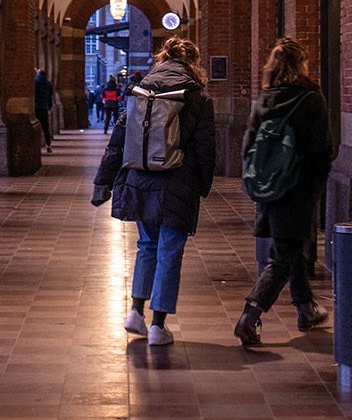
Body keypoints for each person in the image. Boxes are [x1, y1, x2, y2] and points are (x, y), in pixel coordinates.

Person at [91, 37, 215, 347]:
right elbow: (205, 146)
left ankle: (135, 312)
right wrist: (204, 184)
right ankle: (159, 325)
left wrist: (102, 180)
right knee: (169, 252)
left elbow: (119, 138)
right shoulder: (197, 96)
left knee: (147, 245)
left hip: (140, 178)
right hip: (178, 179)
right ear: (193, 63)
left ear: (163, 58)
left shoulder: (140, 89)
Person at [233, 37, 333, 345]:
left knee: (291, 246)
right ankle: (251, 314)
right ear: (301, 64)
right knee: (285, 253)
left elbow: (247, 148)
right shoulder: (311, 99)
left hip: (269, 188)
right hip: (299, 188)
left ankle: (305, 307)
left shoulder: (264, 100)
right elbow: (322, 151)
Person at [33, 67, 54, 152]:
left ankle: (35, 145)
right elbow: (50, 97)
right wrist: (49, 107)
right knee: (45, 127)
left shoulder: (35, 82)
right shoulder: (48, 84)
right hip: (44, 107)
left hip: (35, 108)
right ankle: (48, 145)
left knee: (35, 126)